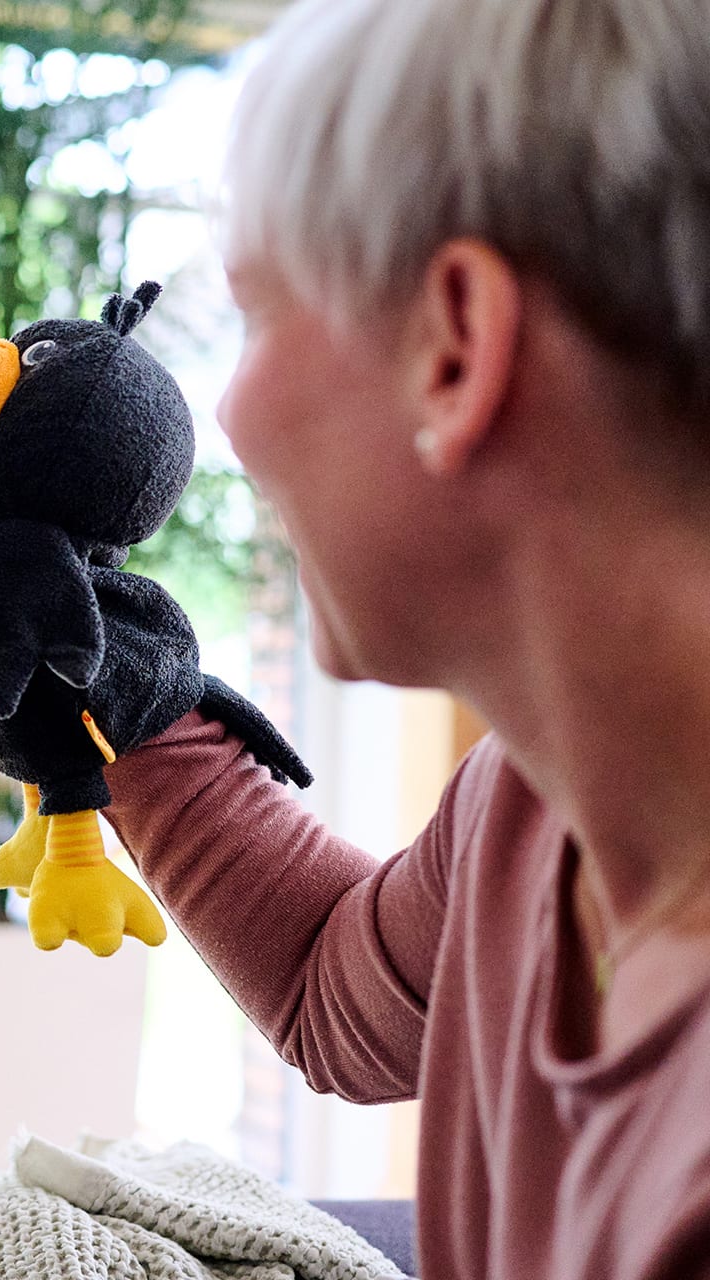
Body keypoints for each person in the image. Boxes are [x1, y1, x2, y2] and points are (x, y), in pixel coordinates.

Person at [86, 0, 710, 1276]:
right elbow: (331, 980)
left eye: (256, 314)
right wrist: (106, 678)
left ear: (455, 346)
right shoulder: (534, 807)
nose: (234, 416)